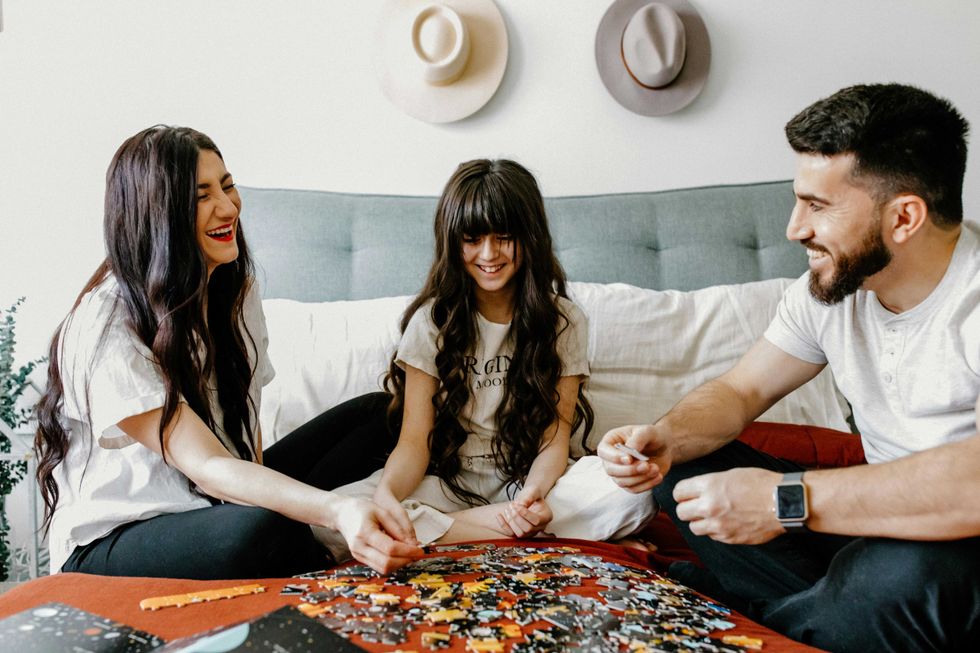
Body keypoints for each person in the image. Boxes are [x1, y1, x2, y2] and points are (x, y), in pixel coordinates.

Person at [599, 83, 980, 652]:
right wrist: (666, 438)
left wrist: (785, 501)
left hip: (955, 554)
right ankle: (811, 616)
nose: (794, 227)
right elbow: (739, 390)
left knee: (901, 574)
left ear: (904, 217)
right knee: (688, 474)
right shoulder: (832, 290)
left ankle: (750, 621)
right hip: (869, 534)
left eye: (818, 206)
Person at [34, 125, 423, 580]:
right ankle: (316, 541)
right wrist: (335, 510)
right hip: (120, 535)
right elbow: (206, 463)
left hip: (215, 497)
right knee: (258, 531)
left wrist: (274, 496)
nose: (228, 207)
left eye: (228, 185)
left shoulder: (235, 291)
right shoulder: (106, 324)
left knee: (385, 412)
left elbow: (245, 440)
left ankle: (306, 531)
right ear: (157, 214)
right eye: (202, 196)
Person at [318, 159, 654, 559]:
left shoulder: (565, 321)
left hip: (528, 482)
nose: (488, 253)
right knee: (333, 521)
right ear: (452, 241)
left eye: (504, 236)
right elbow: (414, 441)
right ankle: (528, 535)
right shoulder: (431, 322)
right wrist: (389, 495)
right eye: (472, 239)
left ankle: (478, 532)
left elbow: (554, 438)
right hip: (448, 482)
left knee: (639, 492)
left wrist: (530, 498)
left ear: (529, 237)